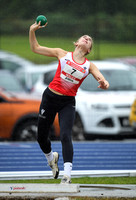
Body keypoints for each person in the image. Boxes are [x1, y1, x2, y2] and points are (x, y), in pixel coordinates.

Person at [29, 21, 109, 184]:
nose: (87, 38)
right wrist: (32, 31)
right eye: (84, 37)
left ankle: (67, 175)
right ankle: (51, 159)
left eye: (89, 40)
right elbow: (35, 48)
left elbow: (101, 77)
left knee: (65, 135)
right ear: (77, 43)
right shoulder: (62, 54)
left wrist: (104, 82)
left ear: (89, 50)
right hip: (50, 97)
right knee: (41, 137)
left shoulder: (88, 66)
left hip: (67, 102)